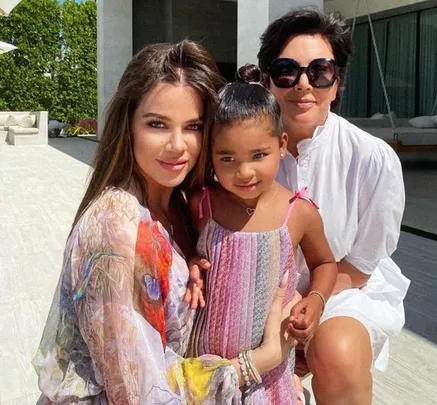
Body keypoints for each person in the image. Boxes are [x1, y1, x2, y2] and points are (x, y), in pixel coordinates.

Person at [32, 41, 299, 405]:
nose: (178, 145)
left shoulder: (182, 203)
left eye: (193, 126)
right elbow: (140, 393)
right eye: (157, 124)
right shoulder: (117, 228)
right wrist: (259, 362)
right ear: (128, 123)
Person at [257, 8, 411, 405]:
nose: (303, 85)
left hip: (342, 291)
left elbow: (361, 265)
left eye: (320, 71)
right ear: (266, 80)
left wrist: (308, 311)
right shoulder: (239, 154)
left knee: (337, 353)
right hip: (256, 291)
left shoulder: (372, 159)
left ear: (337, 81)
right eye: (287, 71)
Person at [186, 65, 337, 404]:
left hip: (268, 376)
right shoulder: (202, 203)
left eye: (258, 155)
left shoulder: (298, 212)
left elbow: (325, 263)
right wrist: (192, 261)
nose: (244, 171)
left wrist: (315, 300)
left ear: (281, 145)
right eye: (227, 158)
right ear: (211, 156)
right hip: (206, 364)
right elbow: (182, 252)